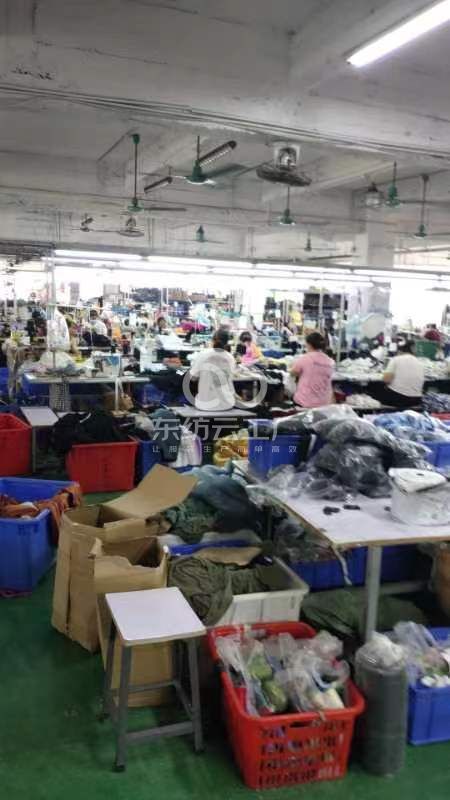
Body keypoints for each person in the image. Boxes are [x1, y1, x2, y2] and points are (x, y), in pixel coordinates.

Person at [189, 330, 236, 411]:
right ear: (227, 342)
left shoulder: (203, 354)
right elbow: (230, 377)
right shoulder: (230, 357)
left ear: (212, 340)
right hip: (227, 404)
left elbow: (193, 378)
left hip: (205, 405)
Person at [290, 332, 335, 408]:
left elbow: (293, 373)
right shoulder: (330, 361)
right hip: (324, 403)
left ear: (309, 344)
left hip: (305, 402)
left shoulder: (306, 358)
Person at [382, 340, 425, 409]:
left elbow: (386, 379)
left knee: (376, 390)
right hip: (416, 399)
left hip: (398, 398)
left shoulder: (396, 359)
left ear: (399, 351)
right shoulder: (420, 363)